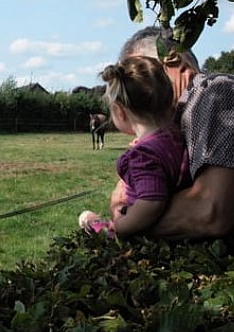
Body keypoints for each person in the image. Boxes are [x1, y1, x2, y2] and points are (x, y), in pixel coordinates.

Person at [108, 26, 234, 246]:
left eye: (140, 77)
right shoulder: (182, 118)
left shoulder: (214, 94)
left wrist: (125, 218)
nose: (134, 94)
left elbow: (210, 212)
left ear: (172, 61)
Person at [79, 56, 190, 237]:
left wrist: (120, 227)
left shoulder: (143, 156)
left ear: (120, 112)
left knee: (88, 220)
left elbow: (151, 203)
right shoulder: (177, 137)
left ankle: (93, 222)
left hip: (137, 231)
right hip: (168, 222)